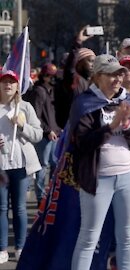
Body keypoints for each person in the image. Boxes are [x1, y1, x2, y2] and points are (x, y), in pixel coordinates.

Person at [70, 55, 130, 270]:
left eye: (120, 73)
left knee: (127, 237)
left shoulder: (128, 102)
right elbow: (82, 144)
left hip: (128, 177)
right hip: (98, 179)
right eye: (111, 74)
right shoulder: (84, 103)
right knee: (88, 238)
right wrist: (111, 127)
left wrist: (127, 124)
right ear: (97, 77)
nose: (117, 78)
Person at [0, 70, 42, 263]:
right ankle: (2, 249)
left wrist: (23, 126)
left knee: (19, 208)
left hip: (21, 165)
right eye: (4, 81)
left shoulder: (24, 107)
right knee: (1, 208)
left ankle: (20, 246)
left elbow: (38, 134)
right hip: (1, 167)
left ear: (18, 86)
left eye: (12, 82)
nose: (8, 85)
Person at [29, 63, 62, 206]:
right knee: (43, 165)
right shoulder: (39, 91)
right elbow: (36, 116)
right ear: (44, 76)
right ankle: (41, 197)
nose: (53, 78)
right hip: (44, 136)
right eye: (50, 76)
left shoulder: (51, 91)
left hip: (55, 134)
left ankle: (51, 193)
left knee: (55, 165)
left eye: (54, 76)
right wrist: (47, 131)